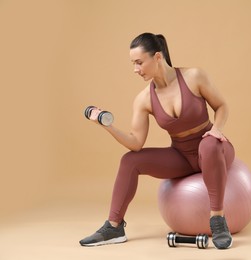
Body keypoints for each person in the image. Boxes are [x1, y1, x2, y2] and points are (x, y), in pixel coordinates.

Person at [79, 32, 235, 249]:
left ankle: (218, 220)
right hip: (182, 156)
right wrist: (108, 126)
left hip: (214, 148)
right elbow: (136, 143)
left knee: (207, 144)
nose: (136, 69)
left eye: (139, 62)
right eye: (133, 64)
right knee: (129, 160)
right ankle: (114, 227)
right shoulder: (144, 99)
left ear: (158, 57)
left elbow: (222, 106)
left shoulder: (194, 76)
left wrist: (217, 130)